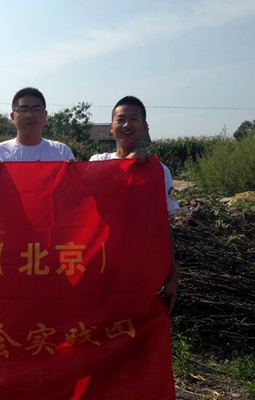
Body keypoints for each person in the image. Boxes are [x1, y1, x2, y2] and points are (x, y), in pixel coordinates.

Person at [89, 95, 180, 313]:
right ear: (111, 127)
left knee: (134, 321)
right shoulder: (96, 163)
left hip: (140, 265)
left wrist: (171, 276)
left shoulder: (158, 171)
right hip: (102, 262)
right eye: (120, 119)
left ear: (144, 126)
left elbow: (163, 227)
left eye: (133, 119)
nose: (126, 125)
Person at [0, 87, 74, 165]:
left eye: (36, 109)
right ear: (12, 117)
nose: (30, 115)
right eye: (24, 110)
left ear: (45, 115)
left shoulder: (62, 152)